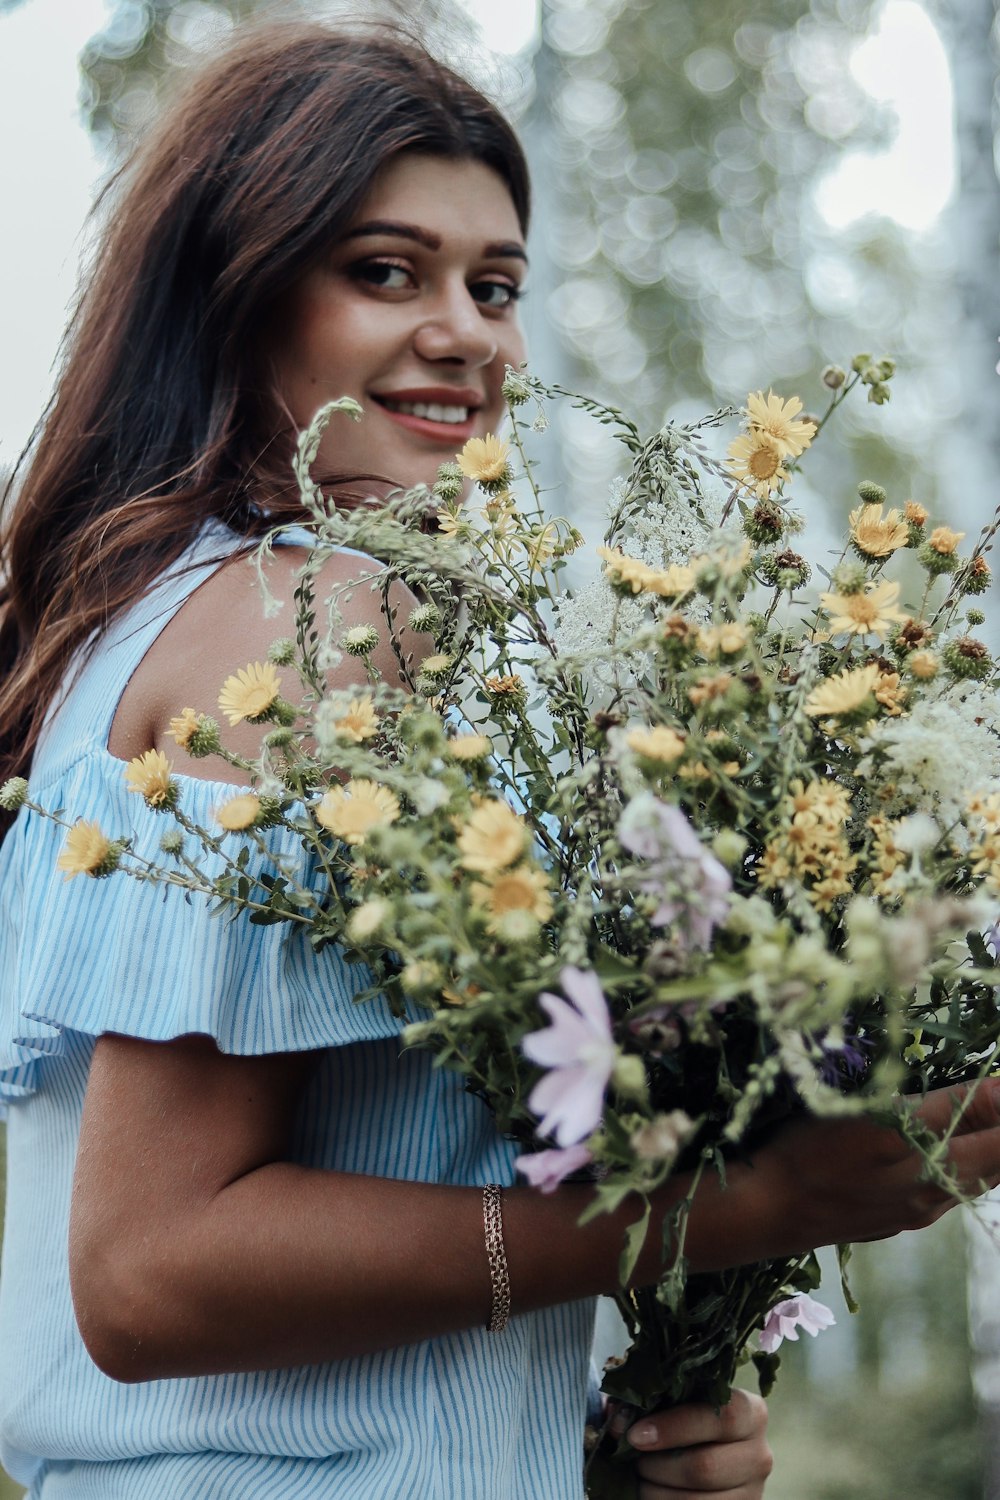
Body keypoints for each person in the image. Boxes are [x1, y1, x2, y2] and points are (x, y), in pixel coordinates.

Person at [0, 20, 997, 1500]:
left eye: (499, 285)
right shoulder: (323, 619)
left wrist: (590, 1444)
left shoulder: (134, 620)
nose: (470, 333)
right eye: (386, 271)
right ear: (239, 291)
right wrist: (731, 1211)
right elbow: (147, 1278)